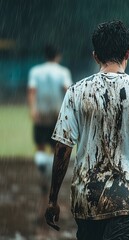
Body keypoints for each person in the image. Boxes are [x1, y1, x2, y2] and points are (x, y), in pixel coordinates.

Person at [44, 20, 129, 239]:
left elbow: (62, 149)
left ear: (95, 55)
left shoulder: (76, 92)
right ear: (128, 53)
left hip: (87, 201)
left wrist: (52, 199)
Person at [27, 44, 72, 221]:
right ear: (58, 56)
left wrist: (33, 109)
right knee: (58, 153)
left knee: (40, 148)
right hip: (57, 117)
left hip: (41, 116)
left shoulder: (35, 71)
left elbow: (31, 91)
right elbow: (68, 92)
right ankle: (53, 187)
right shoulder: (63, 72)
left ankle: (43, 178)